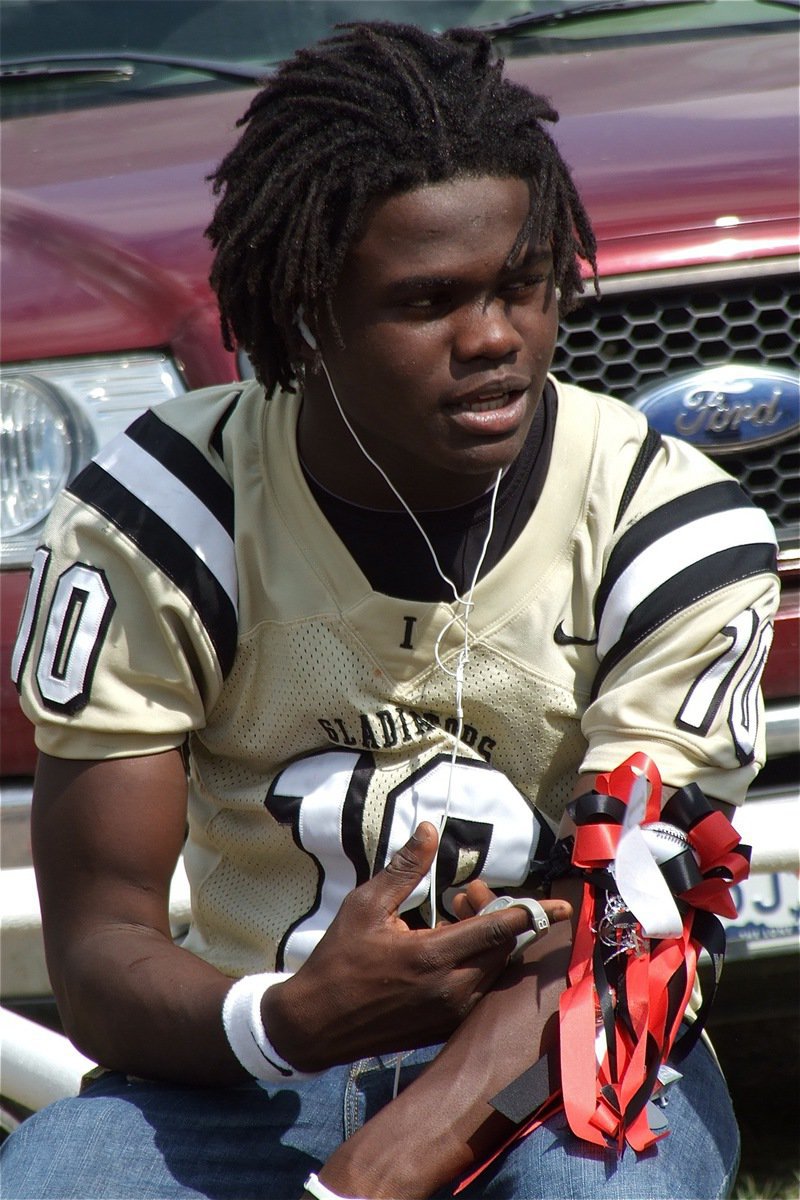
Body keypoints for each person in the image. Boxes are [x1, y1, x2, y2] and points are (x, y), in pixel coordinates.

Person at [2, 21, 778, 1200]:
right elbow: (100, 949)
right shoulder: (164, 517)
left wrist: (361, 1180)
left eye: (522, 288)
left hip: (560, 1050)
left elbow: (629, 937)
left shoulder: (666, 527)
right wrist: (288, 1021)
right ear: (307, 309)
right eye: (428, 301)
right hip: (244, 1062)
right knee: (63, 1181)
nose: (493, 340)